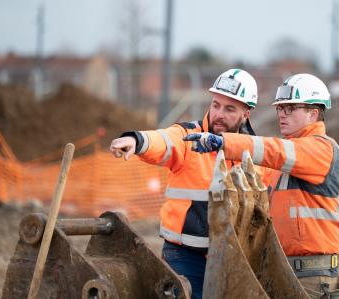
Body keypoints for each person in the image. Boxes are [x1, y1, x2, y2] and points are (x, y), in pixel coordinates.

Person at [185, 73, 339, 298]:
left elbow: (275, 150)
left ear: (313, 113)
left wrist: (225, 141)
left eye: (290, 108)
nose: (282, 114)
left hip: (313, 276)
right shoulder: (286, 162)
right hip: (283, 269)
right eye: (280, 109)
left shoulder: (322, 149)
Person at [109, 68, 264, 299]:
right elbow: (163, 141)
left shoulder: (254, 153)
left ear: (246, 114)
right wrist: (137, 139)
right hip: (184, 256)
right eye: (215, 105)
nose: (218, 114)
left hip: (233, 257)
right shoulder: (188, 136)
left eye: (229, 108)